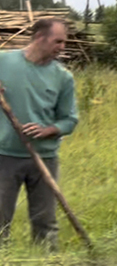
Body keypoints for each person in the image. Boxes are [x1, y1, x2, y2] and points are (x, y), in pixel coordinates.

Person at [0, 17, 78, 248]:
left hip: (44, 157)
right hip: (5, 155)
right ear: (39, 38)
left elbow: (70, 119)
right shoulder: (4, 61)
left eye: (64, 42)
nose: (62, 47)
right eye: (58, 41)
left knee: (45, 222)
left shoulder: (63, 77)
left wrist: (49, 130)